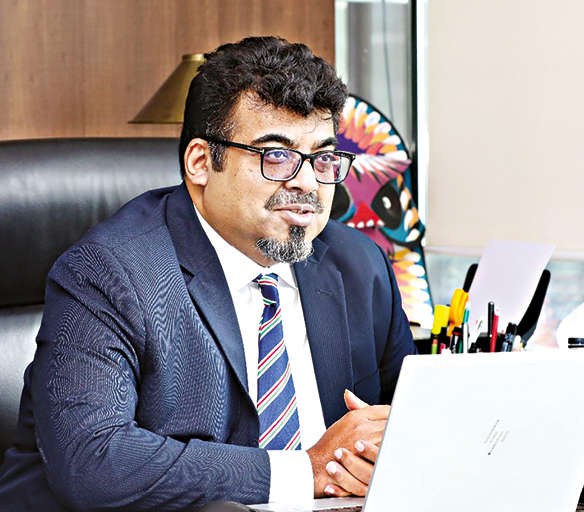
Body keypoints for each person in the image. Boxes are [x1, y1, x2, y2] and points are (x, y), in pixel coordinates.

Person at [0, 36, 416, 510]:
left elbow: (414, 423)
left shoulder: (359, 264)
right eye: (276, 155)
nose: (307, 183)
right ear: (200, 162)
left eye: (323, 158)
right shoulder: (108, 273)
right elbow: (94, 460)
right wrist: (308, 470)